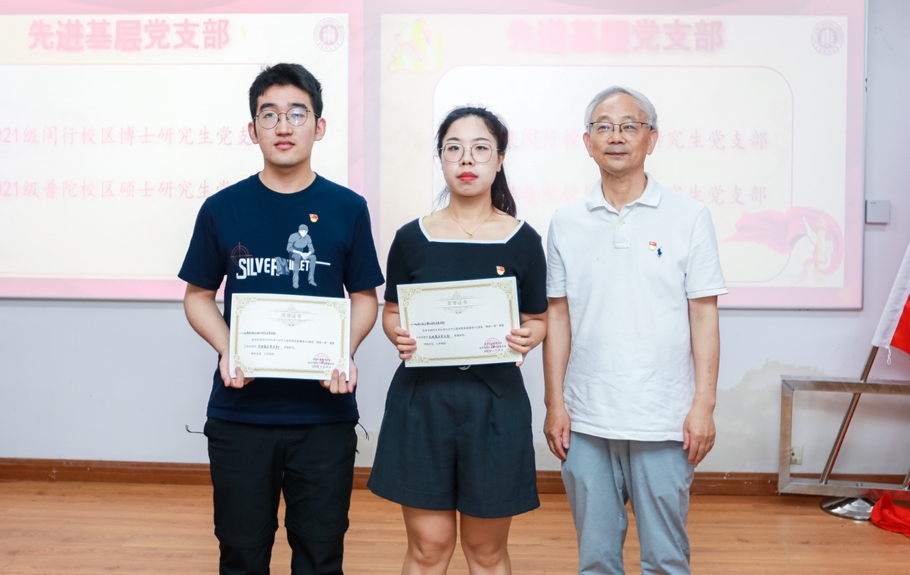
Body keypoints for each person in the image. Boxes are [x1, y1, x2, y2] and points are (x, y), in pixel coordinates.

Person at [179, 63, 384, 575]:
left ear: (319, 126)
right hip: (241, 414)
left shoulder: (348, 207)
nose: (283, 126)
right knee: (242, 554)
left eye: (297, 113)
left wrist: (343, 351)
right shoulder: (222, 208)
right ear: (253, 130)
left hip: (323, 416)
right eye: (269, 115)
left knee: (320, 555)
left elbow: (364, 297)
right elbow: (198, 296)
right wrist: (229, 347)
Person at [543, 87, 727, 575]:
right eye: (604, 126)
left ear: (652, 138)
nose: (617, 136)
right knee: (596, 560)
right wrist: (555, 403)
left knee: (666, 559)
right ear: (587, 142)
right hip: (586, 418)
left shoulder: (690, 216)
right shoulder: (565, 221)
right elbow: (558, 316)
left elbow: (704, 315)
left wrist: (704, 406)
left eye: (630, 125)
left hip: (664, 418)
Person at [368, 106, 548, 574]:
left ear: (500, 159)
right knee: (428, 548)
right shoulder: (412, 238)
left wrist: (528, 335)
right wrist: (397, 333)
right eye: (454, 148)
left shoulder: (523, 240)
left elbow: (538, 319)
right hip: (421, 402)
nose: (466, 159)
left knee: (486, 551)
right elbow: (392, 311)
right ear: (441, 158)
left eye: (480, 148)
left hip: (495, 404)